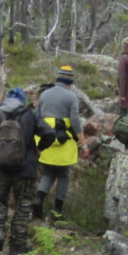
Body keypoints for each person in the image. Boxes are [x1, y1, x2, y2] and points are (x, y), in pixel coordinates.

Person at [0, 87, 56, 255]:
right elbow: (49, 133)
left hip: (0, 168)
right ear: (23, 101)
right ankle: (17, 244)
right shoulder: (31, 114)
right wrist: (39, 149)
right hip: (25, 169)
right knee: (23, 205)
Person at [34, 65, 88, 221]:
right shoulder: (71, 97)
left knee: (48, 173)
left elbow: (37, 117)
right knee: (64, 176)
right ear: (70, 82)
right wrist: (83, 144)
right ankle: (57, 211)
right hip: (64, 144)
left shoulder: (44, 95)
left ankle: (39, 199)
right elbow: (75, 122)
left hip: (46, 143)